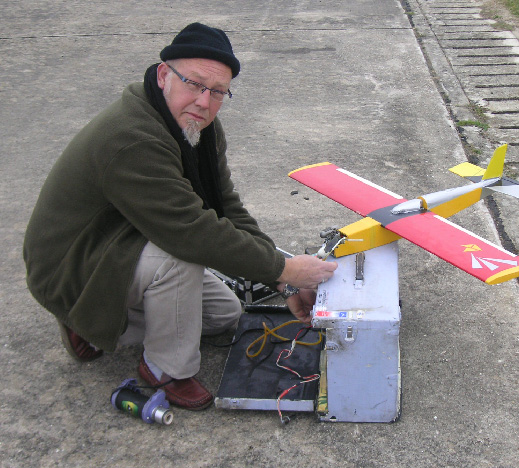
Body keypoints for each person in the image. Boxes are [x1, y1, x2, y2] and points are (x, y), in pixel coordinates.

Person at [23, 23, 337, 411]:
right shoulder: (132, 137)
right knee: (180, 257)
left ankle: (99, 325)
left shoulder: (200, 127)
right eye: (194, 84)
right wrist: (286, 269)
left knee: (224, 313)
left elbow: (226, 207)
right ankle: (160, 366)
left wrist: (281, 277)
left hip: (125, 234)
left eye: (217, 91)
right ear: (163, 75)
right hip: (71, 264)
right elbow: (191, 232)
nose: (204, 101)